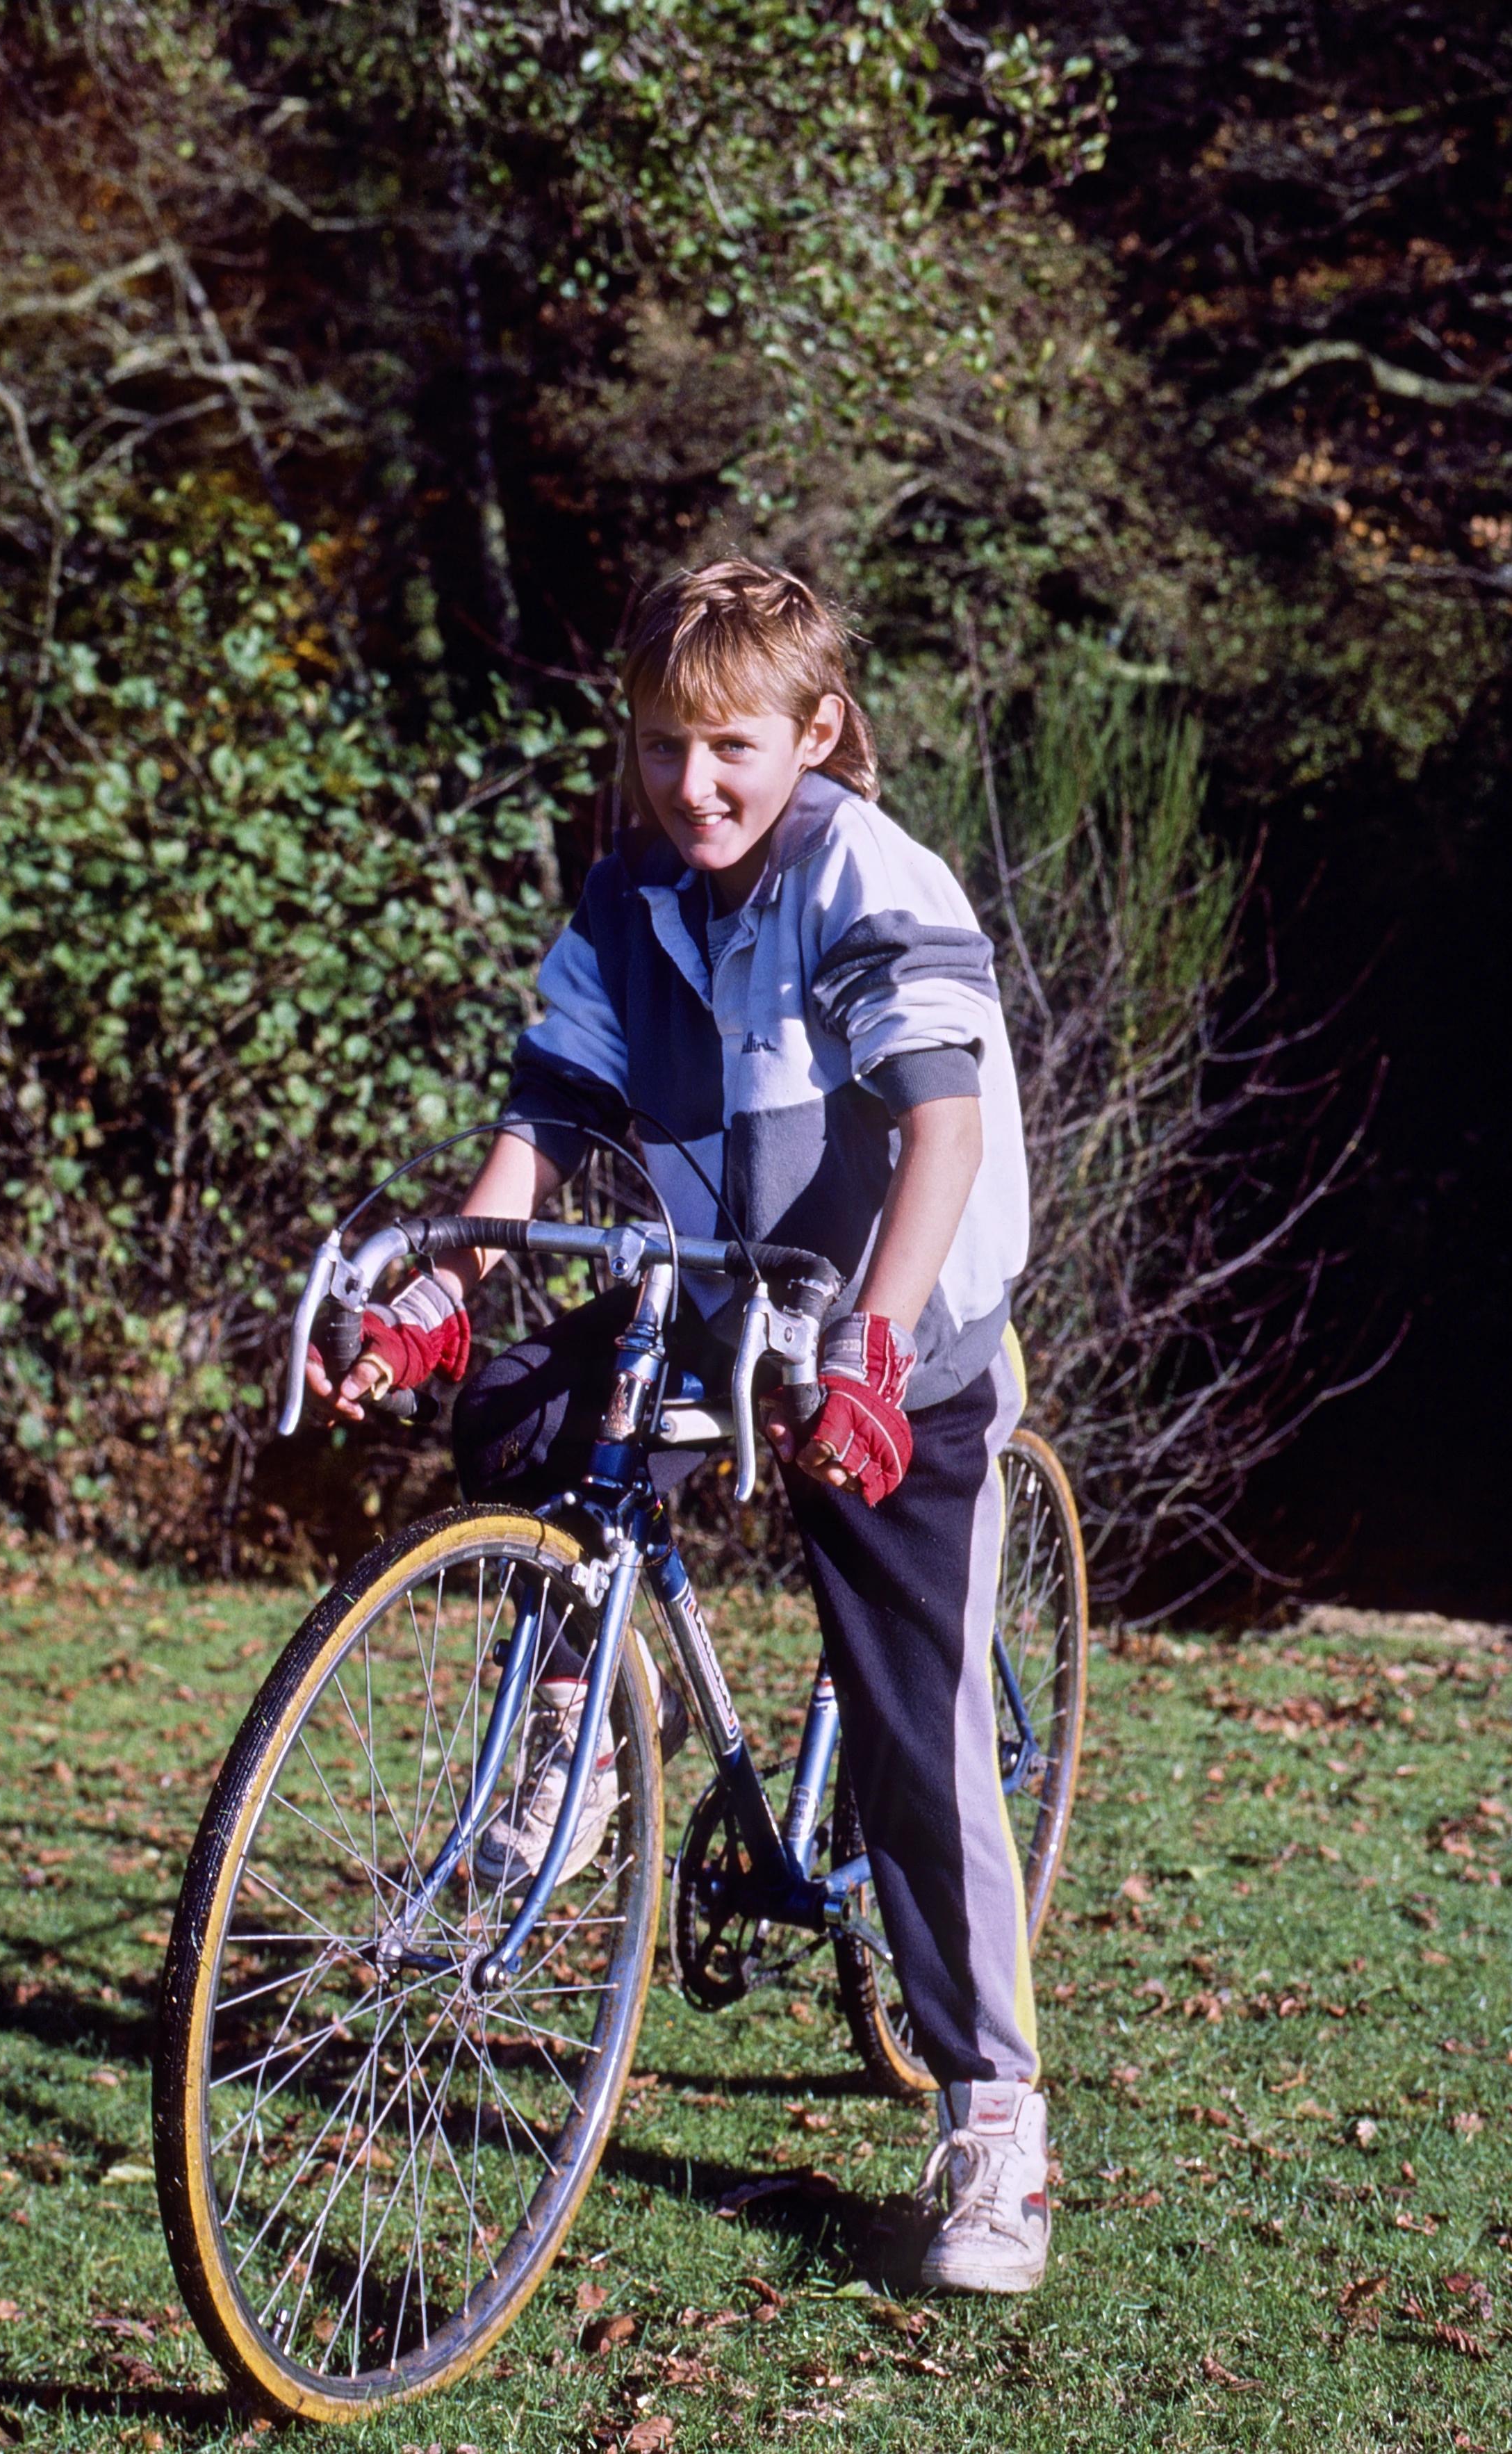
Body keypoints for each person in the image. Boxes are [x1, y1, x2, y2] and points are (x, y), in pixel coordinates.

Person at [305, 559, 1049, 2296]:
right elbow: (548, 1113)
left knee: (909, 1725)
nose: (689, 783)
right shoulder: (633, 890)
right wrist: (441, 1290)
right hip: (728, 1297)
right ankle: (568, 1736)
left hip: (893, 1337)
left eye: (728, 747)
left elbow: (937, 1132)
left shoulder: (868, 876)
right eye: (659, 745)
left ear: (815, 732)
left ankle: (993, 2116)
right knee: (516, 1396)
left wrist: (865, 1348)